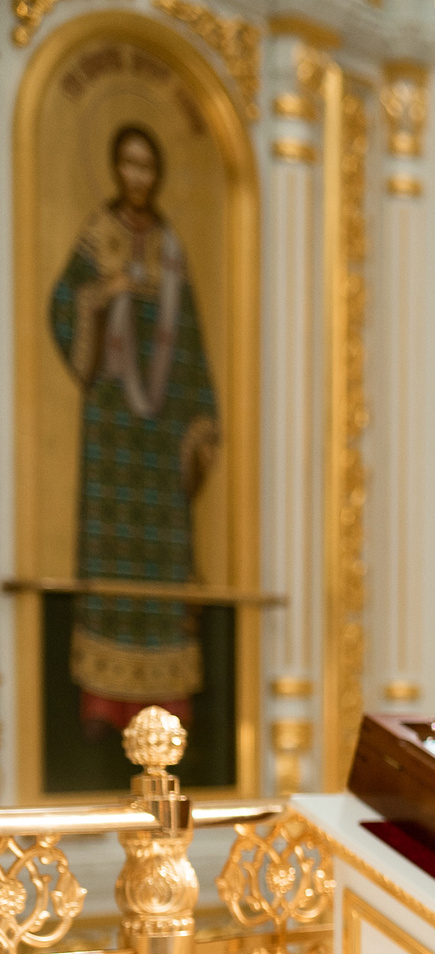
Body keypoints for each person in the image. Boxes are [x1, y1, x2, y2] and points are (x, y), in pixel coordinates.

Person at [50, 123, 218, 739]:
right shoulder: (98, 234)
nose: (138, 177)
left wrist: (202, 423)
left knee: (165, 564)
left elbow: (191, 340)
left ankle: (168, 706)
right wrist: (104, 292)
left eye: (147, 166)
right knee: (110, 558)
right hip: (112, 433)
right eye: (129, 164)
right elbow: (62, 305)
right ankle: (103, 705)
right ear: (116, 168)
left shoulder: (171, 249)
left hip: (163, 436)